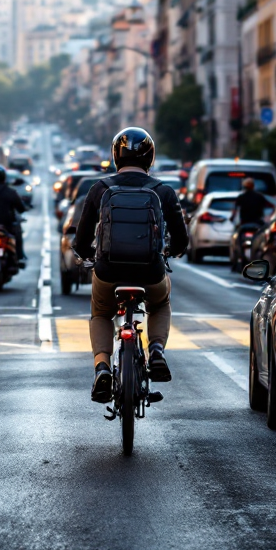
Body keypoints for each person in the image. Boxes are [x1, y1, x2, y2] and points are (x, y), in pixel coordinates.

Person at [73, 127, 188, 402]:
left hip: (108, 270)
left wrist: (88, 254)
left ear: (116, 156)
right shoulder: (164, 191)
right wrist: (172, 250)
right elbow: (182, 240)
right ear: (150, 157)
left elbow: (81, 239)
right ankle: (157, 351)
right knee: (160, 304)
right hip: (150, 271)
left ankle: (102, 367)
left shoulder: (99, 189)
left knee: (101, 313)